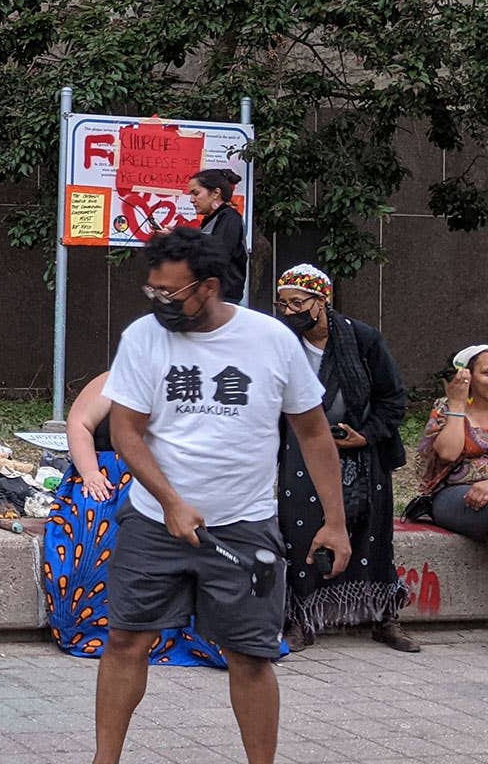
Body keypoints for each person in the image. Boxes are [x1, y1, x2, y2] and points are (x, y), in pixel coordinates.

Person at [93, 226, 350, 764]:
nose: (161, 302)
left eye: (172, 293)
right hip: (153, 521)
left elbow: (312, 432)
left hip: (244, 525)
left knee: (250, 656)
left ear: (208, 287)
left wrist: (335, 521)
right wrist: (170, 502)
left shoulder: (271, 340)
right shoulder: (144, 337)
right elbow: (126, 433)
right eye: (153, 291)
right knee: (125, 642)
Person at [270, 264, 416, 652]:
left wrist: (365, 435)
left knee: (373, 534)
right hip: (302, 448)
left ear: (322, 301)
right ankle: (300, 618)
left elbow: (393, 397)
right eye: (283, 304)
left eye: (298, 303)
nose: (289, 312)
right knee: (299, 531)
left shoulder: (362, 338)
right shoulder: (281, 341)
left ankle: (383, 615)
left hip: (364, 452)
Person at [42, 372, 227, 666]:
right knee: (94, 534)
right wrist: (90, 473)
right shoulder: (115, 378)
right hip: (106, 478)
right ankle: (91, 629)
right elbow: (79, 422)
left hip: (170, 483)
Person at [409, 344, 488, 541]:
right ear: (467, 376)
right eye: (487, 373)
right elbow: (448, 453)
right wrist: (458, 405)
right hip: (455, 494)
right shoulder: (447, 407)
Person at [187, 167, 248, 303]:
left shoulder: (229, 218)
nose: (191, 200)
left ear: (215, 193)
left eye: (196, 193)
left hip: (222, 301)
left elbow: (218, 255)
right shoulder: (212, 219)